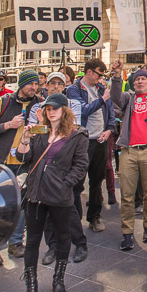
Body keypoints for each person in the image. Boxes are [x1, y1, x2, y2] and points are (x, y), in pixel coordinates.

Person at [15, 93, 88, 292]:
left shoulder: (77, 134)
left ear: (64, 110)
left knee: (63, 237)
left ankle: (59, 279)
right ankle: (31, 286)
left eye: (55, 108)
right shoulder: (39, 130)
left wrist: (65, 183)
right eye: (48, 108)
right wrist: (25, 139)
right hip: (36, 195)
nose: (51, 111)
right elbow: (23, 159)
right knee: (33, 241)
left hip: (59, 196)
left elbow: (81, 164)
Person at [0, 70, 43, 267]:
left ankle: (16, 242)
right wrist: (9, 124)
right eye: (29, 84)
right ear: (21, 84)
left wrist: (39, 126)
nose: (33, 87)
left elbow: (45, 131)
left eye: (35, 84)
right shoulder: (3, 102)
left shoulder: (39, 104)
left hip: (23, 162)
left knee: (21, 205)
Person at [26, 71, 87, 265]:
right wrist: (40, 123)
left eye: (59, 83)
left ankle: (80, 244)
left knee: (70, 213)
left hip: (63, 174)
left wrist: (67, 182)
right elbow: (35, 134)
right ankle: (52, 246)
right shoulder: (38, 107)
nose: (55, 86)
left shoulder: (73, 104)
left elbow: (74, 127)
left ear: (64, 85)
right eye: (51, 83)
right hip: (43, 178)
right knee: (45, 217)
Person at [110, 62, 147, 250]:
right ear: (133, 84)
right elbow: (115, 97)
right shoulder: (128, 98)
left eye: (143, 78)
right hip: (129, 150)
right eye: (137, 80)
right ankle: (127, 232)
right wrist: (117, 76)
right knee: (127, 195)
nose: (140, 82)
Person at [67, 59, 115, 233]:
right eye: (98, 74)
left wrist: (109, 130)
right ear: (89, 72)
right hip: (82, 142)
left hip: (100, 140)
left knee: (97, 180)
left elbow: (110, 112)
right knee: (77, 182)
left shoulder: (101, 89)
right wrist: (102, 99)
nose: (100, 78)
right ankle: (74, 219)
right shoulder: (74, 89)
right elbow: (83, 110)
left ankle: (94, 216)